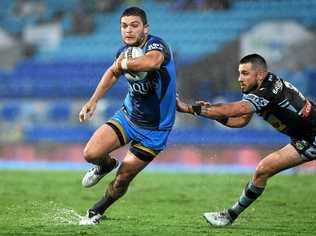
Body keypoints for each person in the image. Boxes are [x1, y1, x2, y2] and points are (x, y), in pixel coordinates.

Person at [176, 54, 316, 226]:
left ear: (259, 75)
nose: (239, 78)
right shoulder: (256, 89)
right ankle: (229, 216)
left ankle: (229, 216)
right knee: (263, 170)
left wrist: (190, 108)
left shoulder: (268, 90)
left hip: (312, 137)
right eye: (239, 73)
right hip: (304, 139)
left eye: (244, 73)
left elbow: (237, 109)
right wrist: (216, 114)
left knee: (263, 169)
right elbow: (240, 121)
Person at [79, 7, 177, 224]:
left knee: (123, 178)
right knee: (91, 153)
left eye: (134, 25)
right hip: (128, 116)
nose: (129, 30)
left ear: (145, 28)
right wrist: (93, 101)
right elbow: (113, 72)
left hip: (155, 130)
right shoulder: (123, 51)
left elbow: (152, 62)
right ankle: (105, 165)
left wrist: (123, 64)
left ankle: (97, 211)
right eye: (124, 26)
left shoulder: (157, 45)